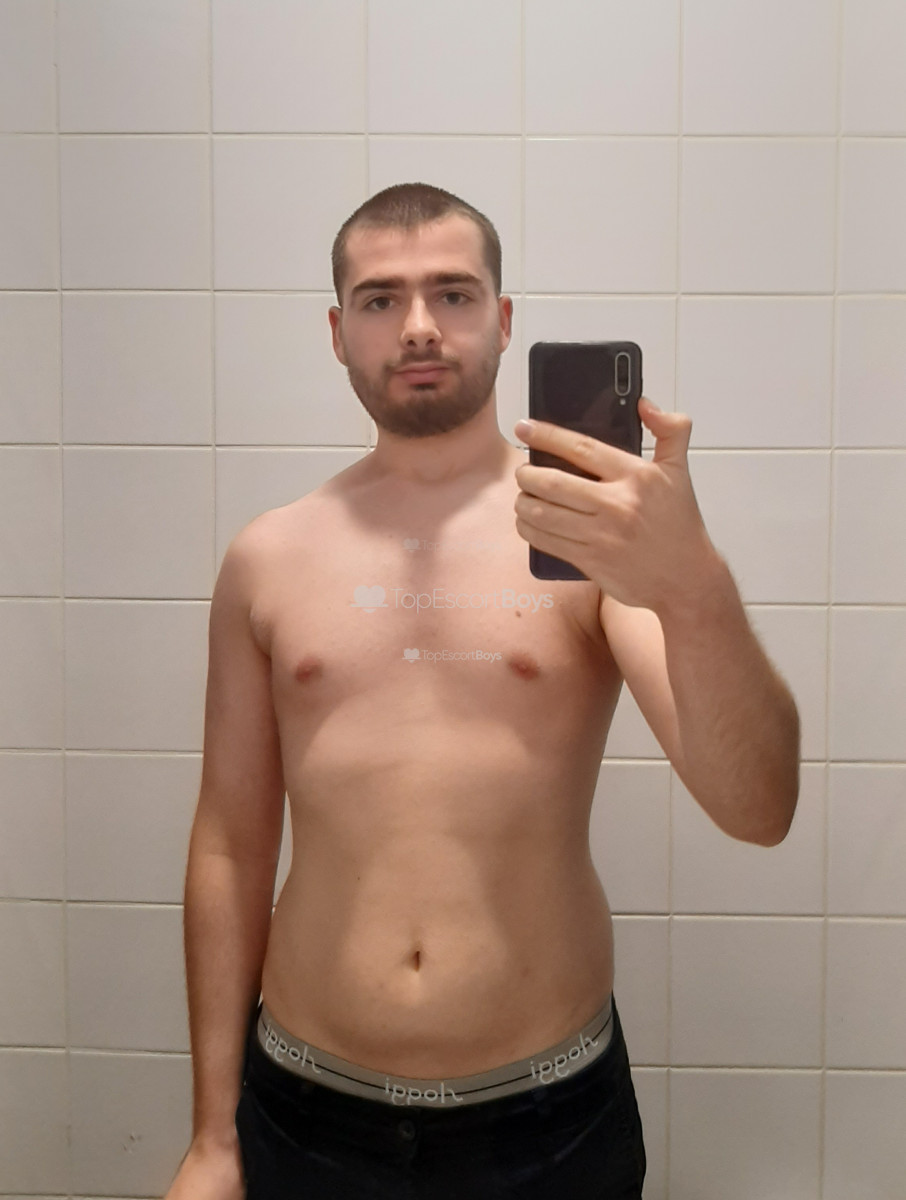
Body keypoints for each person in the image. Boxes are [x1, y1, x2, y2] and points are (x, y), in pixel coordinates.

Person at [163, 182, 801, 1199]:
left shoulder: (587, 543)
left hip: (547, 1126)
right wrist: (212, 1135)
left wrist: (694, 584)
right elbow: (230, 845)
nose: (419, 326)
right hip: (305, 1112)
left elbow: (759, 807)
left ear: (503, 321)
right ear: (338, 332)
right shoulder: (269, 558)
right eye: (380, 300)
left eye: (453, 294)